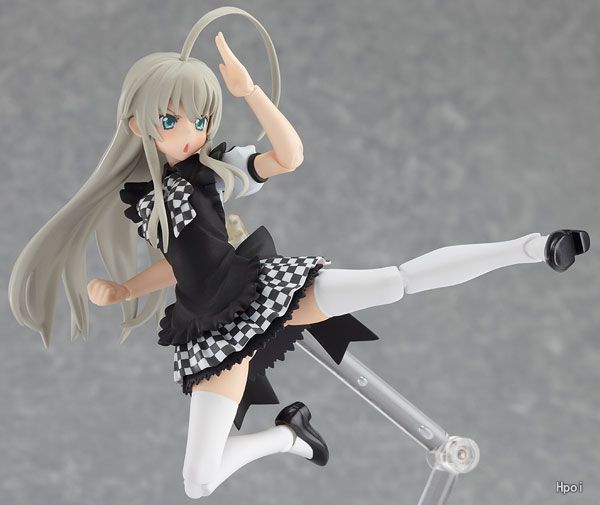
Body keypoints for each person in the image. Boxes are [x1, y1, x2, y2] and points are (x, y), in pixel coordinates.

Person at [8, 6, 590, 499]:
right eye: (171, 119)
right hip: (209, 327)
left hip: (262, 288)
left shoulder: (214, 165)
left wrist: (249, 93)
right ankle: (291, 436)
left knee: (396, 280)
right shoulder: (142, 198)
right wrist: (127, 289)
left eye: (201, 118)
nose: (191, 132)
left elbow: (289, 156)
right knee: (198, 481)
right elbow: (181, 262)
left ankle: (533, 247)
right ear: (138, 124)